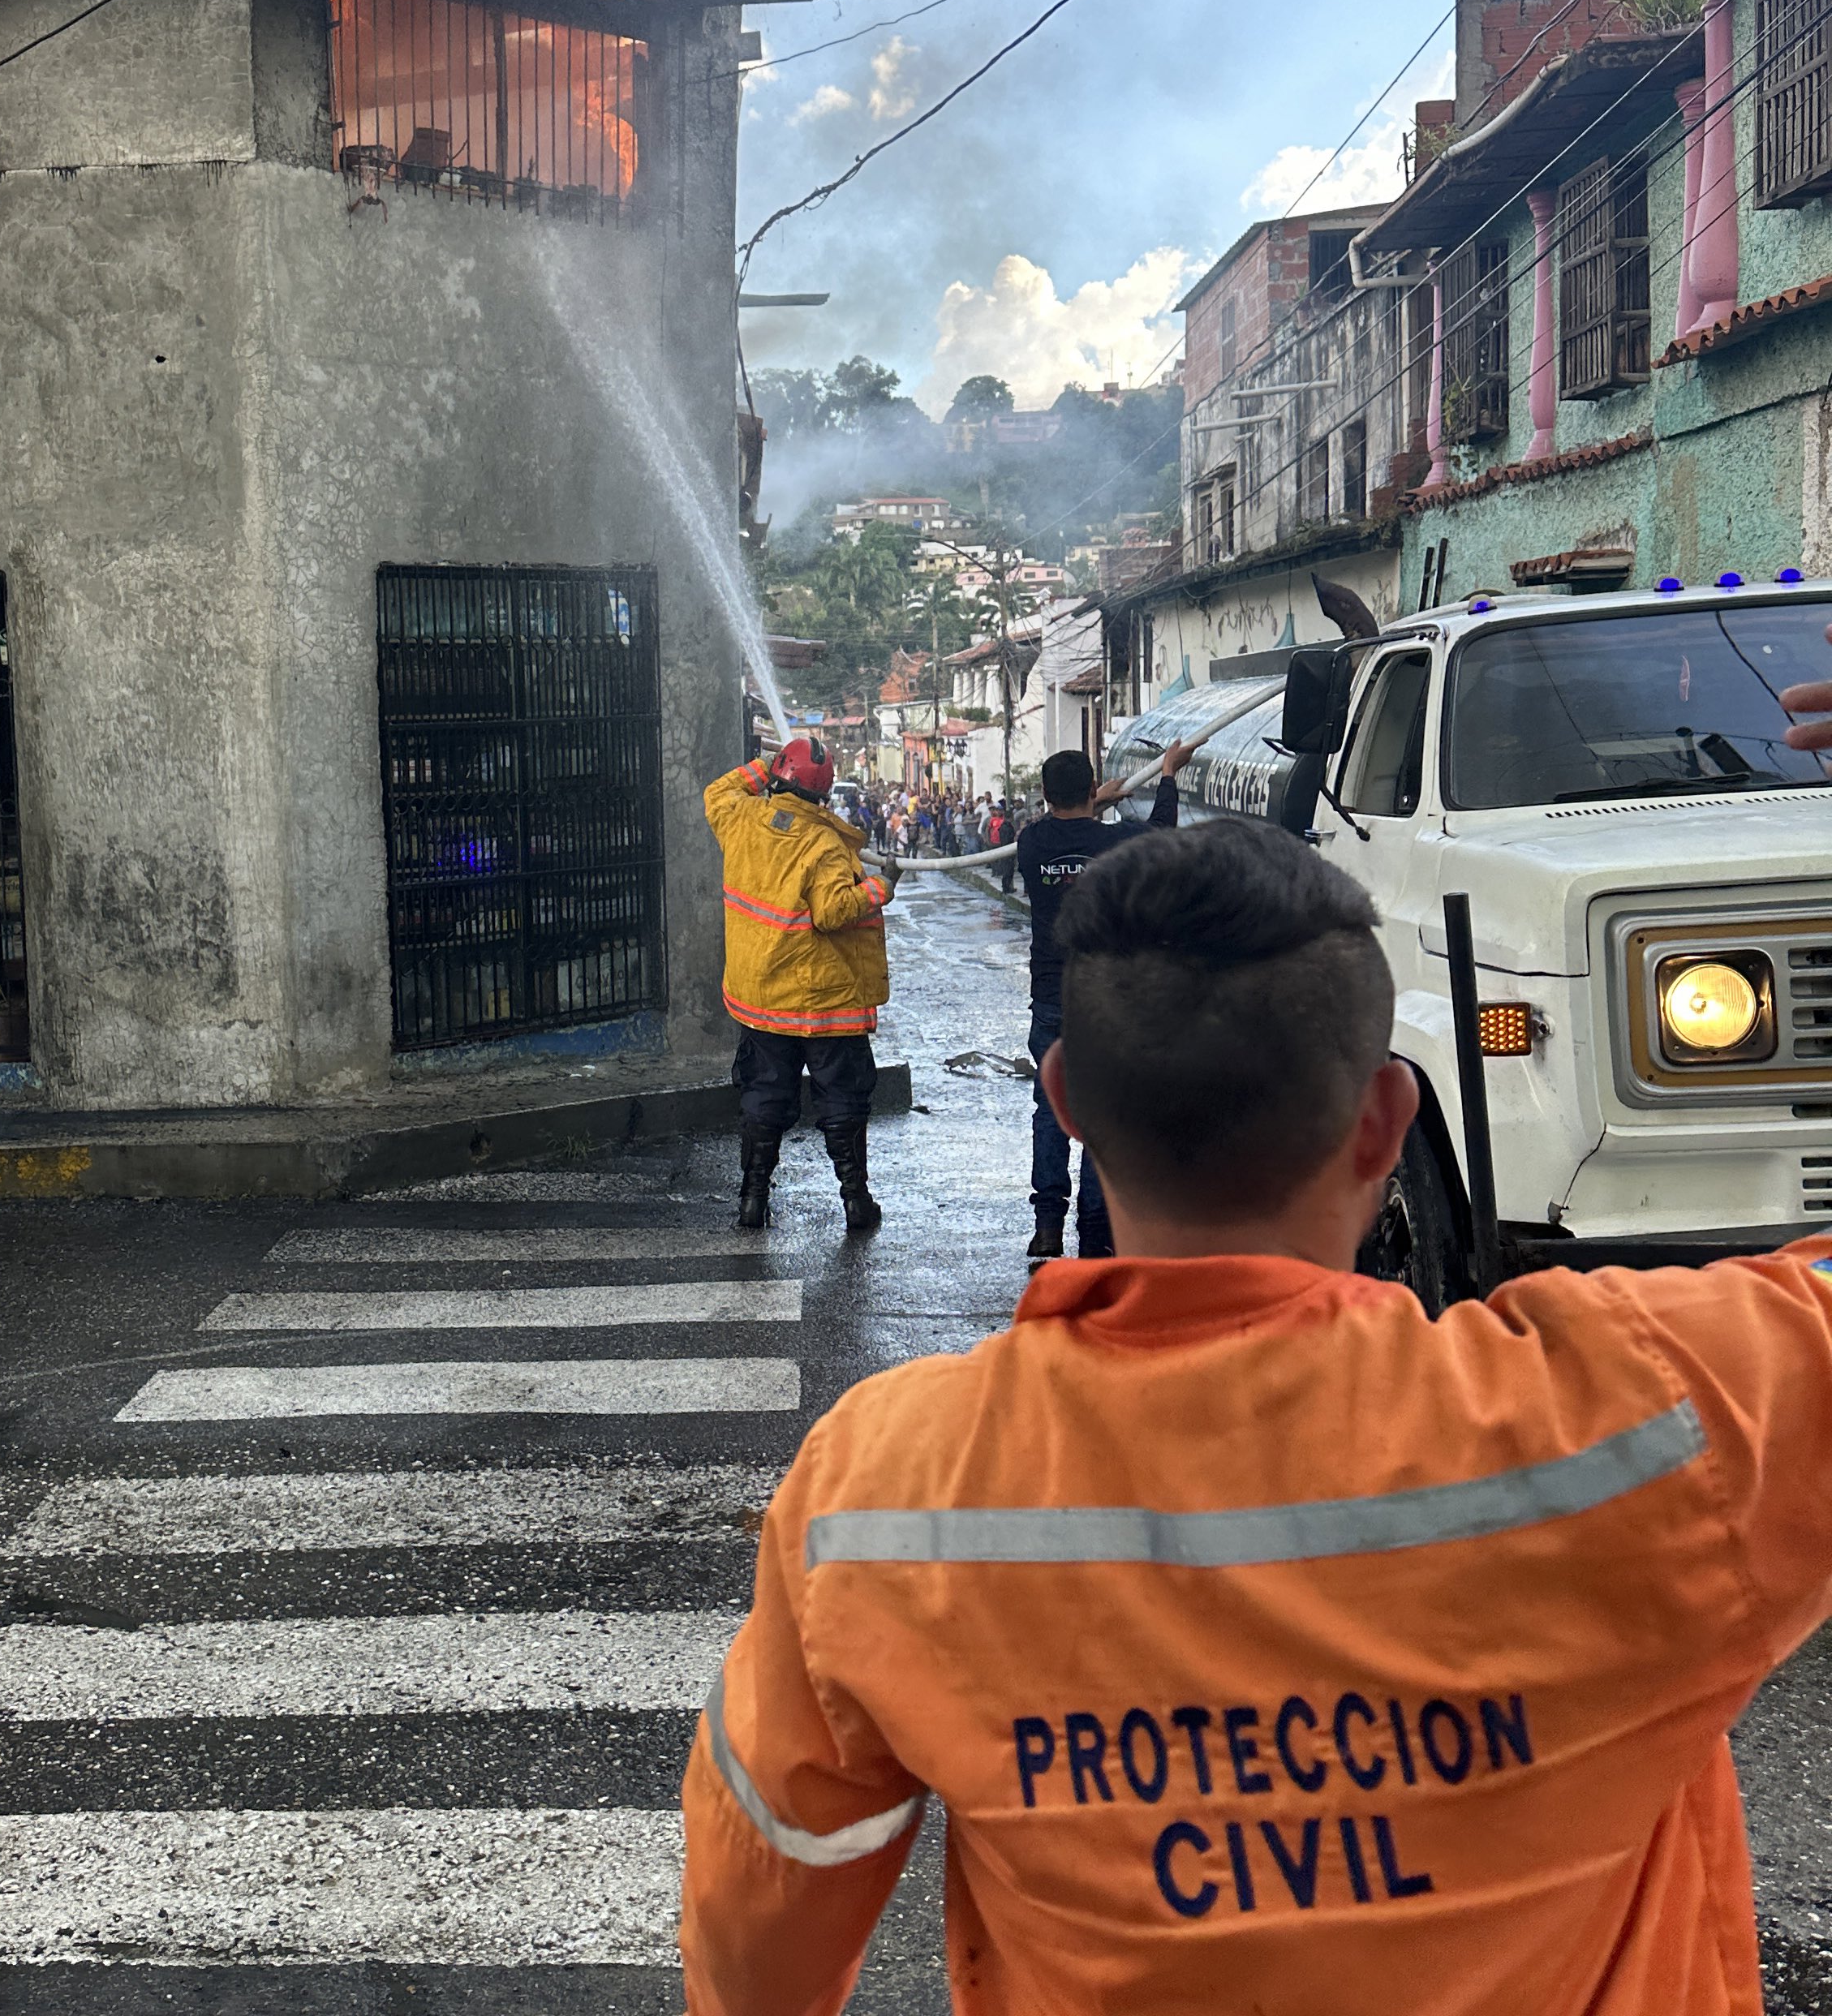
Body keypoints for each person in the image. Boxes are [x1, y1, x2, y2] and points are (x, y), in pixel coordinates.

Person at [681, 801, 1832, 2016]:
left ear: (1065, 1098)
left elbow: (762, 1909)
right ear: (1386, 1121)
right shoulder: (1658, 1414)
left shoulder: (885, 1492)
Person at [703, 735, 897, 1236]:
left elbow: (717, 792)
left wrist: (763, 766)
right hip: (822, 1002)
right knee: (843, 1100)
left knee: (764, 1098)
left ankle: (752, 1199)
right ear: (826, 792)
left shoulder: (741, 819)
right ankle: (856, 1201)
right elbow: (833, 912)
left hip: (762, 998)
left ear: (778, 776)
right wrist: (879, 889)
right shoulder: (825, 844)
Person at [1014, 741, 1188, 1261]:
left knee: (1051, 1111)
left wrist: (1094, 805)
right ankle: (1095, 1233)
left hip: (1051, 998)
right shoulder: (1117, 845)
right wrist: (1169, 776)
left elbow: (1070, 830)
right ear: (1092, 790)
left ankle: (1047, 1227)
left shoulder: (1029, 845)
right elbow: (1161, 834)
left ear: (1045, 795)